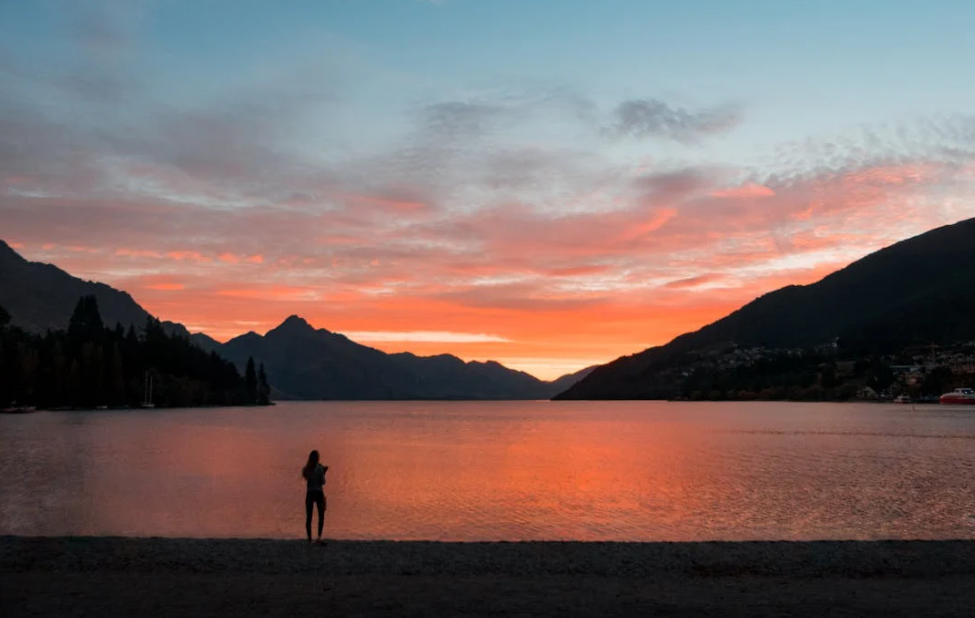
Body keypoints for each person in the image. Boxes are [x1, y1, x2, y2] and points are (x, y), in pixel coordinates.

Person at [301, 450, 328, 543]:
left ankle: (309, 539)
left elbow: (305, 477)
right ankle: (319, 537)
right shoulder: (319, 468)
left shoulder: (306, 468)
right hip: (318, 492)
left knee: (309, 517)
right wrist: (324, 472)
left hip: (310, 493)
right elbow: (323, 482)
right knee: (321, 515)